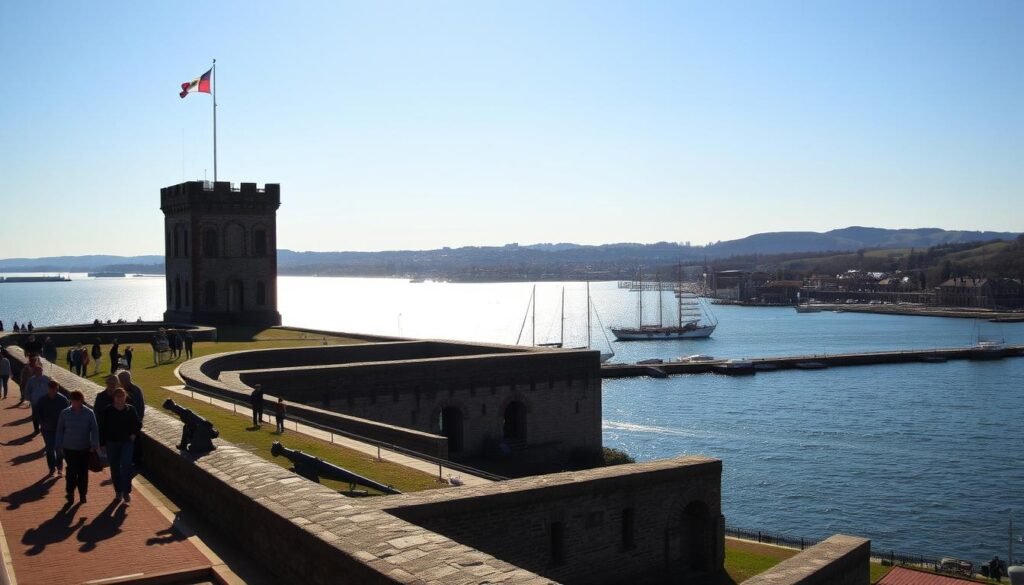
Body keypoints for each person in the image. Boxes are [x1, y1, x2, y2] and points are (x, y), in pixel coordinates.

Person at [55, 390, 99, 504]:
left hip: (84, 448)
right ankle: (70, 493)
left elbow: (94, 429)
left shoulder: (89, 413)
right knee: (71, 472)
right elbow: (60, 430)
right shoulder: (64, 413)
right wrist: (58, 445)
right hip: (69, 448)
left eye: (77, 401)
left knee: (83, 472)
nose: (75, 403)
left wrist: (94, 445)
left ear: (81, 400)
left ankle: (83, 494)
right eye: (73, 400)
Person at [99, 387, 141, 502]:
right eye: (118, 396)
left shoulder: (130, 409)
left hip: (127, 442)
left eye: (123, 396)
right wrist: (102, 443)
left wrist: (134, 434)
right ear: (114, 398)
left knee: (127, 465)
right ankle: (118, 491)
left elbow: (138, 424)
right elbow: (102, 427)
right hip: (112, 443)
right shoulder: (108, 410)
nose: (121, 399)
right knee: (115, 467)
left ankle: (126, 491)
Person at [38, 380, 69, 476]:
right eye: (51, 389)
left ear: (57, 389)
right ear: (48, 389)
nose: (53, 391)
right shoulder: (43, 400)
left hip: (59, 429)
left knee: (59, 449)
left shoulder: (63, 400)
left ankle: (59, 467)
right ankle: (52, 469)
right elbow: (38, 414)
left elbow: (67, 414)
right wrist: (42, 422)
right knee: (50, 449)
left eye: (55, 389)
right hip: (47, 429)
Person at [26, 364, 51, 433]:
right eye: (37, 371)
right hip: (35, 401)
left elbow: (50, 389)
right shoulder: (31, 380)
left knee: (44, 415)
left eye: (40, 371)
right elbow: (28, 390)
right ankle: (36, 429)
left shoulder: (47, 379)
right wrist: (29, 398)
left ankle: (43, 428)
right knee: (35, 416)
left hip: (45, 401)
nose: (39, 372)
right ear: (34, 372)